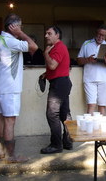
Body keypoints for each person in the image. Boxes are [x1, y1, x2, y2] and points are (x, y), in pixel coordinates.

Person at [0, 13, 38, 163]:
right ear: (14, 27)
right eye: (20, 26)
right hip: (10, 88)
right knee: (10, 120)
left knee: (1, 117)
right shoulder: (11, 41)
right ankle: (11, 157)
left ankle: (1, 152)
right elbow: (34, 46)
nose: (21, 28)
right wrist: (21, 34)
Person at [40, 26, 73, 154]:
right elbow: (56, 67)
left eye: (49, 33)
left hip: (59, 84)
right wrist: (46, 74)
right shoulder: (57, 47)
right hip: (62, 83)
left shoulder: (59, 47)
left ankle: (56, 145)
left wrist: (46, 54)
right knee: (65, 114)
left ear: (57, 35)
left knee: (52, 114)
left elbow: (53, 65)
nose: (46, 36)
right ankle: (67, 141)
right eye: (46, 33)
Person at [77, 24, 106, 116]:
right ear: (96, 33)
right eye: (99, 34)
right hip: (89, 79)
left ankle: (102, 129)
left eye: (103, 35)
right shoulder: (86, 43)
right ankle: (89, 130)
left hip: (104, 79)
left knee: (102, 105)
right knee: (91, 105)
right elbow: (78, 60)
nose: (101, 37)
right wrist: (87, 60)